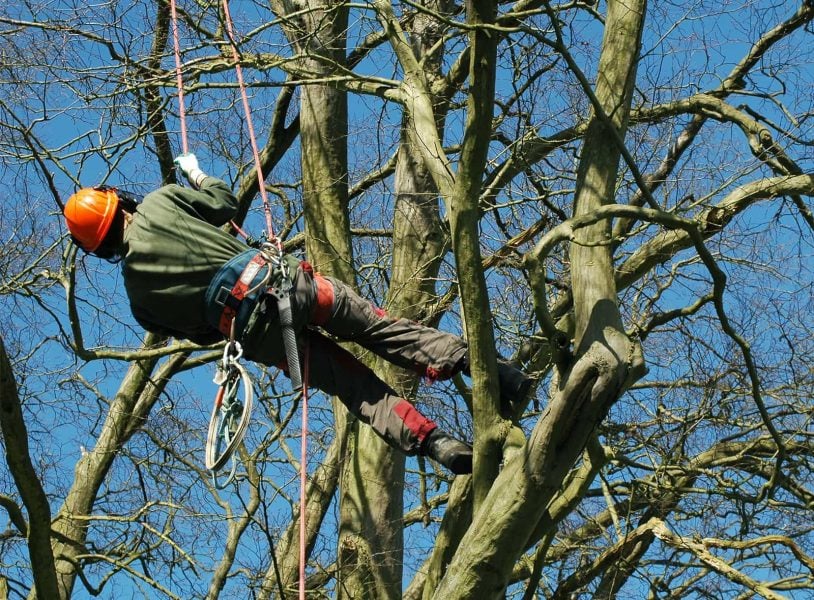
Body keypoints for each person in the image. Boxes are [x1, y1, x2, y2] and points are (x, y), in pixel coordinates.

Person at [62, 153, 532, 475]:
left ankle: (436, 445)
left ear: (99, 247)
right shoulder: (162, 202)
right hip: (290, 286)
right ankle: (498, 373)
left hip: (263, 336)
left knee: (355, 388)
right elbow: (224, 203)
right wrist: (199, 176)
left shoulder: (139, 301)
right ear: (118, 201)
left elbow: (203, 334)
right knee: (380, 328)